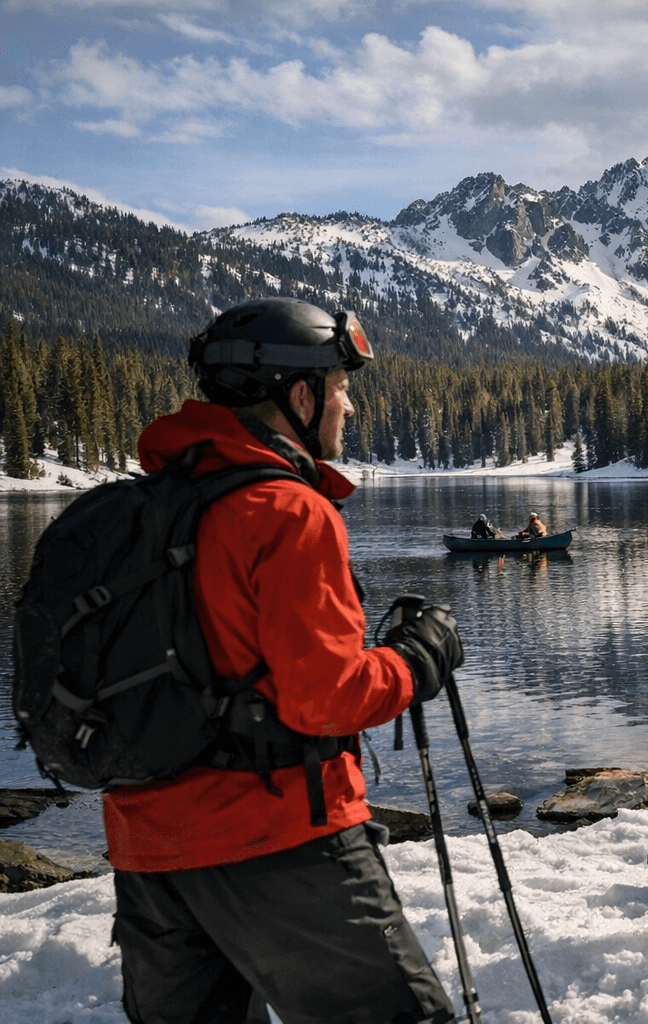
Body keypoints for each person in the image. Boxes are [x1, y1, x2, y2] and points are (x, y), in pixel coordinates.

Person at [107, 297, 462, 1024]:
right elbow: (326, 699)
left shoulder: (140, 509)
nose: (349, 406)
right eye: (340, 388)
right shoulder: (287, 511)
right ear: (300, 397)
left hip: (147, 849)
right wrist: (416, 659)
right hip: (278, 837)